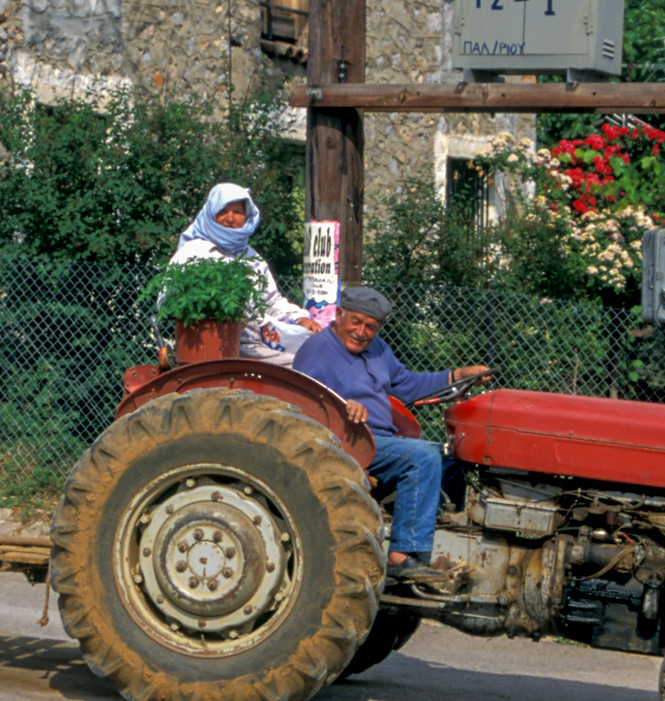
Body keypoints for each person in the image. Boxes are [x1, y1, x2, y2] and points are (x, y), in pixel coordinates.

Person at [293, 286, 491, 584]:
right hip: (349, 442)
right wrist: (342, 406)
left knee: (452, 456)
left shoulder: (379, 350)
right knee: (422, 458)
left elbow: (408, 384)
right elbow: (304, 401)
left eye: (370, 326)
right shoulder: (317, 350)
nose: (361, 332)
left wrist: (457, 375)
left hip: (383, 440)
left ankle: (443, 537)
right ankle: (402, 556)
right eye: (355, 322)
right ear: (338, 315)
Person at [166, 183, 321, 364]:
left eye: (238, 212)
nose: (230, 218)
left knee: (314, 359)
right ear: (211, 213)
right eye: (223, 210)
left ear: (247, 216)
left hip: (257, 342)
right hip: (210, 344)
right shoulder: (193, 251)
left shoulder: (251, 256)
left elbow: (271, 301)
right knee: (298, 368)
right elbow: (168, 300)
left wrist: (298, 317)